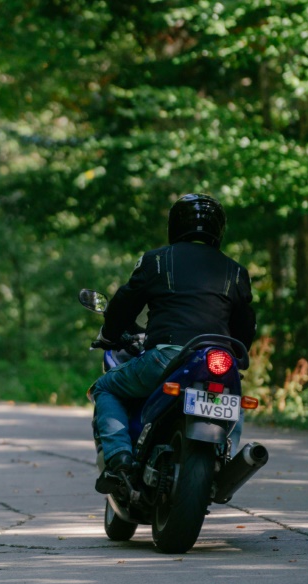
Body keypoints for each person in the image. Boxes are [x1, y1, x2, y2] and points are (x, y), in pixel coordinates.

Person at [90, 193, 257, 494]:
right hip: (219, 360)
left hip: (167, 356)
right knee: (233, 399)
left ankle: (119, 459)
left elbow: (125, 302)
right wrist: (238, 354)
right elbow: (245, 326)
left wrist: (110, 333)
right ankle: (225, 458)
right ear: (219, 229)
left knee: (104, 387)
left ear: (175, 224)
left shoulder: (157, 259)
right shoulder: (236, 271)